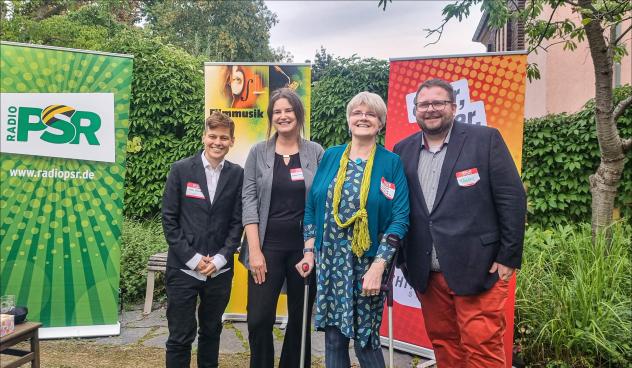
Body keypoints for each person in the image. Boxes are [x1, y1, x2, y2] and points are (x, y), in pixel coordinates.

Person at [393, 78, 527, 368]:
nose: (431, 109)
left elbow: (512, 198)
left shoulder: (485, 139)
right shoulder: (401, 150)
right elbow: (399, 206)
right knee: (444, 345)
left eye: (438, 103)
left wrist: (508, 256)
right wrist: (402, 258)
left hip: (479, 268)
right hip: (428, 272)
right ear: (415, 110)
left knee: (482, 348)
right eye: (424, 104)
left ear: (453, 107)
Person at [296, 91, 409, 368]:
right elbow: (311, 207)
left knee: (366, 341)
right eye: (357, 113)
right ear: (348, 120)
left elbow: (400, 217)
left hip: (367, 265)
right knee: (334, 340)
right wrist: (309, 252)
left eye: (370, 114)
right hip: (331, 262)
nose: (363, 118)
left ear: (380, 123)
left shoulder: (390, 162)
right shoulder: (331, 156)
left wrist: (379, 266)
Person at [240, 88, 324, 368]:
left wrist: (311, 250)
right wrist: (255, 251)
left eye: (288, 110)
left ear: (298, 115)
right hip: (266, 247)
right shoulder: (258, 152)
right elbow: (249, 201)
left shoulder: (315, 152)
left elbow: (321, 199)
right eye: (277, 111)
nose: (283, 116)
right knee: (259, 318)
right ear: (271, 117)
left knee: (300, 321)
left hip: (304, 251)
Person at [161, 111, 244, 368]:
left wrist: (220, 259)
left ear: (231, 141)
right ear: (203, 137)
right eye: (212, 136)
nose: (217, 142)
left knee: (211, 332)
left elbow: (237, 222)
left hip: (219, 271)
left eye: (224, 137)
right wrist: (195, 260)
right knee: (180, 336)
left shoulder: (237, 174)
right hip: (183, 269)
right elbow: (169, 220)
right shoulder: (181, 170)